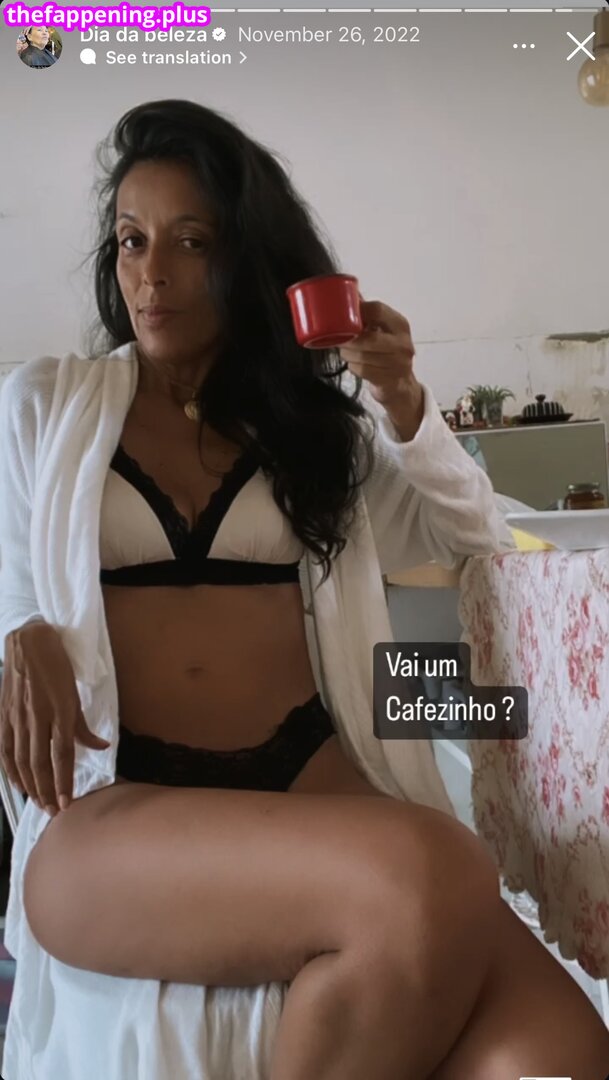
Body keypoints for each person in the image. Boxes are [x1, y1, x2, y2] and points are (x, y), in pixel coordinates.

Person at [0, 99, 607, 1080]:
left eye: (190, 241)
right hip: (124, 801)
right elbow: (17, 578)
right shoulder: (46, 405)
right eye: (131, 240)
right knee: (439, 869)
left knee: (561, 1049)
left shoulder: (318, 434)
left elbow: (480, 543)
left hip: (310, 768)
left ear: (246, 258)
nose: (151, 273)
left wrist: (404, 405)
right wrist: (20, 628)